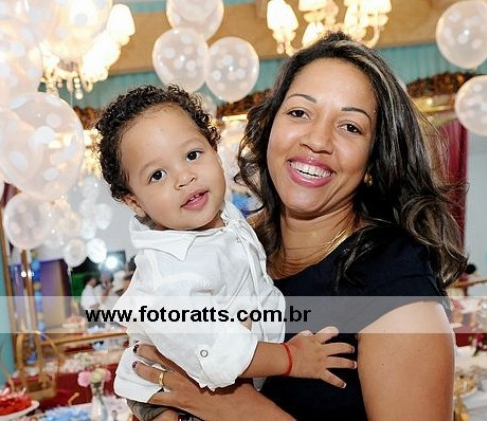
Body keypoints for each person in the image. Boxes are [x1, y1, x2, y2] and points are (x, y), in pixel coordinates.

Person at [129, 32, 468, 420]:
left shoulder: (396, 284)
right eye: (299, 113)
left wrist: (232, 407)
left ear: (373, 163)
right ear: (269, 128)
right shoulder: (233, 245)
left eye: (350, 127)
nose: (318, 140)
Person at [95, 85, 356, 420]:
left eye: (192, 155)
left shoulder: (226, 216)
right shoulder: (173, 274)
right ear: (134, 201)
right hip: (172, 394)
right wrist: (293, 359)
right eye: (157, 175)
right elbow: (220, 354)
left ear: (214, 149)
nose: (184, 177)